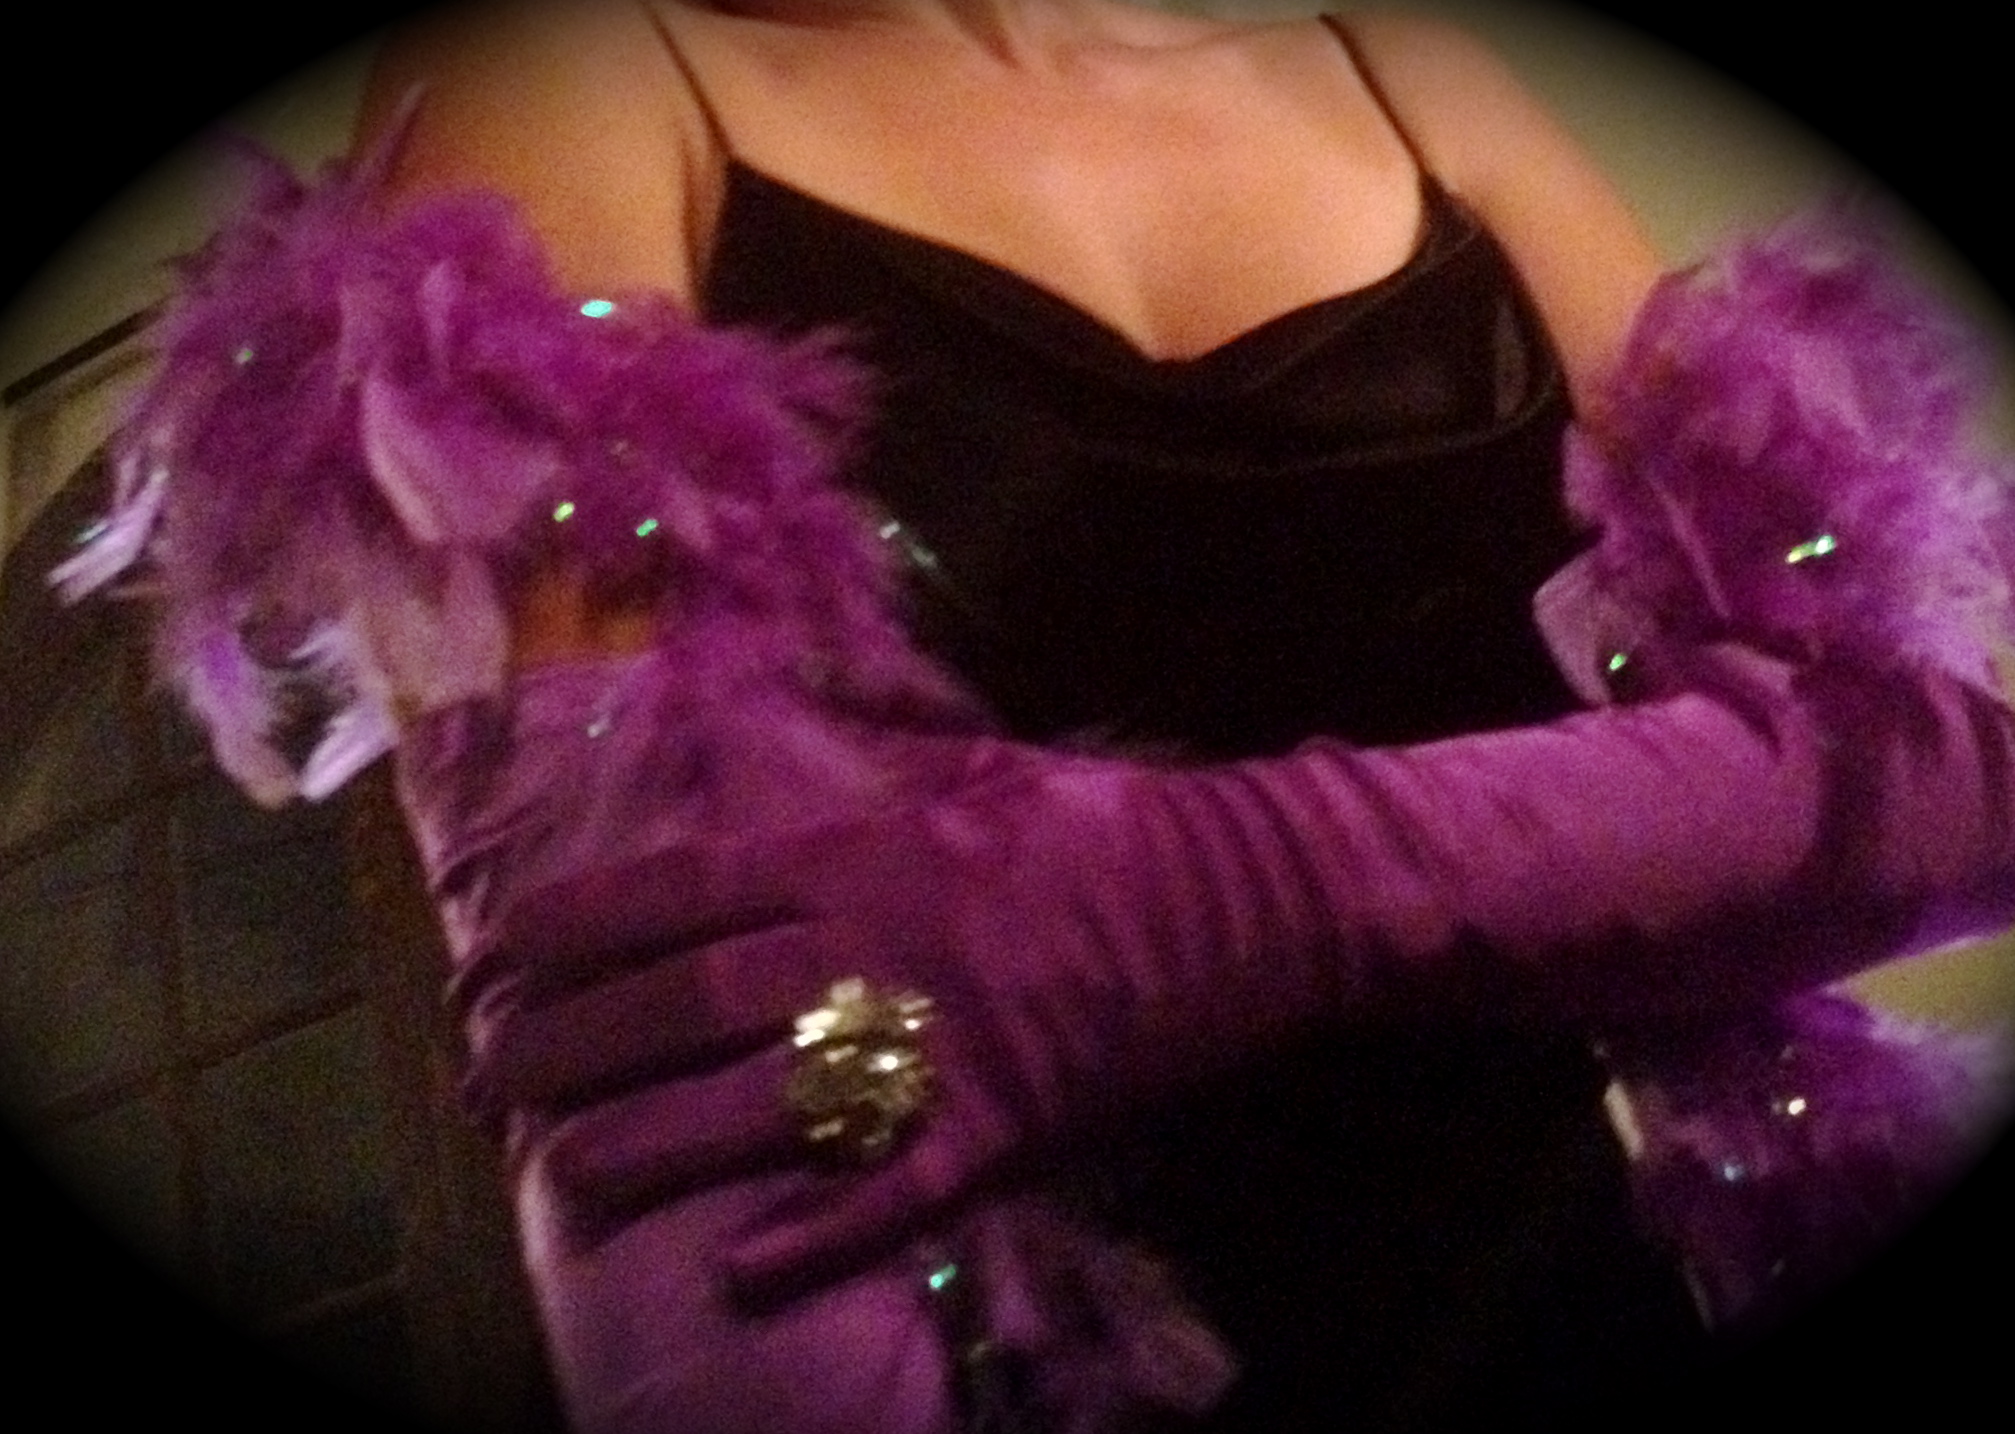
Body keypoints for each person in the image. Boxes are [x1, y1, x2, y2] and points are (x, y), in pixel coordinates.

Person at [52, 2, 2015, 1431]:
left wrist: (1207, 893)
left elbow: (1935, 775)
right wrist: (1631, 819)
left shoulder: (1405, 66)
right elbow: (689, 1121)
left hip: (1586, 1311)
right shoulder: (562, 78)